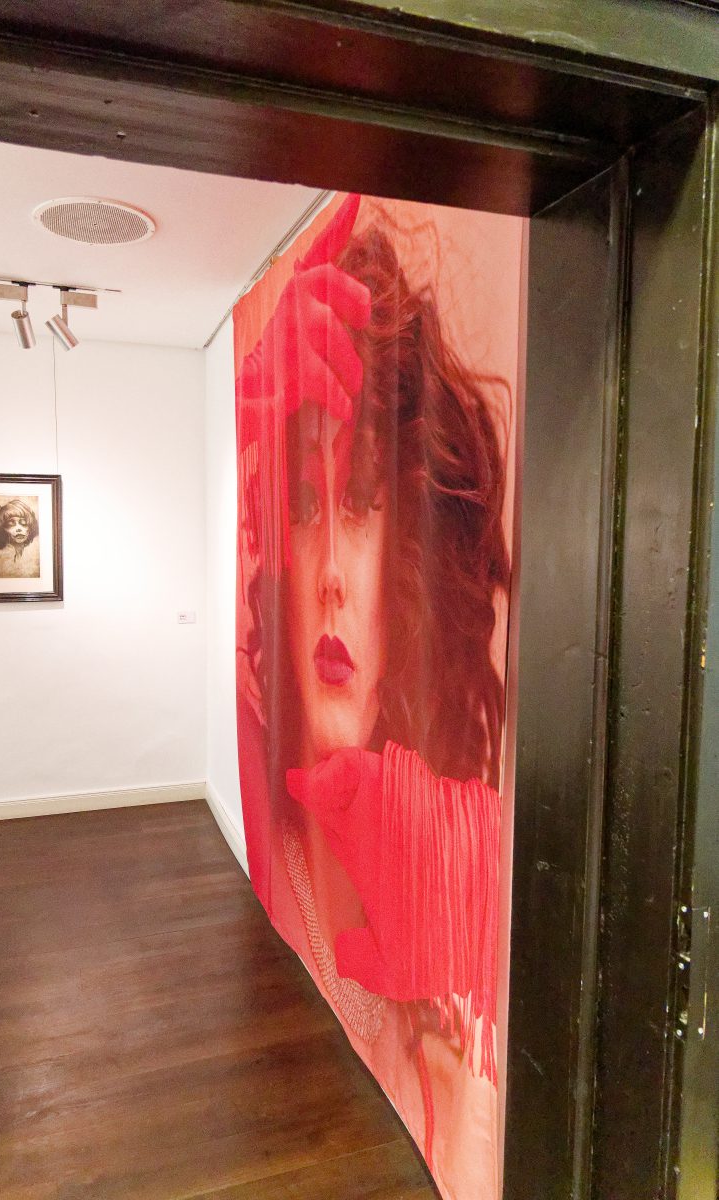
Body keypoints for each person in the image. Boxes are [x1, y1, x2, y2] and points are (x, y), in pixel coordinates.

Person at [235, 193, 511, 1200]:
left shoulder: (458, 922)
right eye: (306, 507)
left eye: (359, 506)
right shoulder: (254, 844)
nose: (330, 581)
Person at [0, 496, 40, 578]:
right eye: (10, 524)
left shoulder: (34, 557)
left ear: (30, 527)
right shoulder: (0, 561)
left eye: (23, 523)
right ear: (3, 528)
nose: (18, 528)